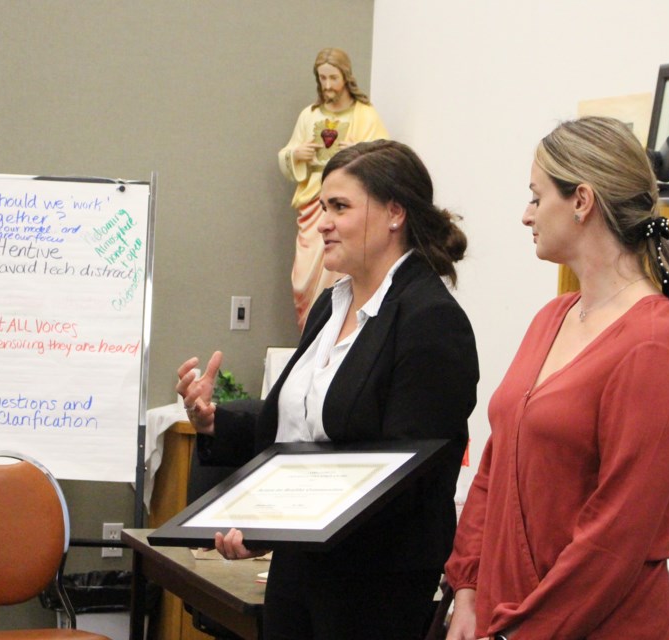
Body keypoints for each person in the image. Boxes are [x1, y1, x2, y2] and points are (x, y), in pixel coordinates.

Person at [179, 139, 479, 640]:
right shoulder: (329, 306)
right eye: (323, 207)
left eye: (339, 207)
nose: (322, 223)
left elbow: (404, 476)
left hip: (372, 586)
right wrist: (216, 420)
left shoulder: (431, 319)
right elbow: (308, 425)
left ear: (394, 214)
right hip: (301, 570)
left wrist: (272, 525)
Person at [444, 116, 669, 640]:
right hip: (500, 618)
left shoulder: (654, 343)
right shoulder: (553, 316)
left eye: (537, 197)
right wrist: (468, 589)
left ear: (582, 201)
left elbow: (617, 535)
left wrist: (519, 632)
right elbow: (496, 463)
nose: (526, 215)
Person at [277, 47, 390, 330]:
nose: (327, 85)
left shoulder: (364, 115)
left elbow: (386, 156)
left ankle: (339, 331)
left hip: (348, 203)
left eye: (333, 78)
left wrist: (360, 154)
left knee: (340, 272)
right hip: (313, 199)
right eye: (322, 78)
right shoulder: (310, 115)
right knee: (303, 279)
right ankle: (309, 333)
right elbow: (287, 153)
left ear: (346, 77)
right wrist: (296, 155)